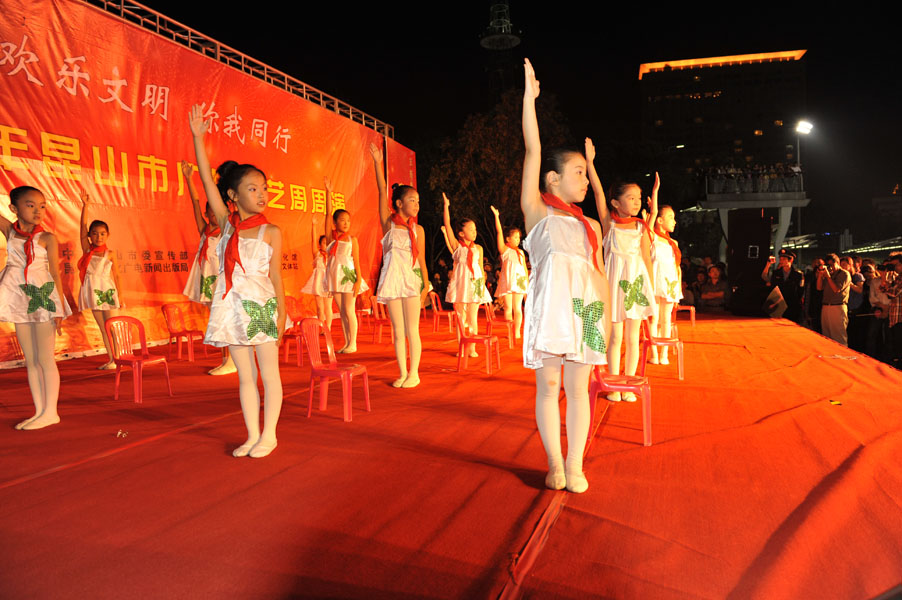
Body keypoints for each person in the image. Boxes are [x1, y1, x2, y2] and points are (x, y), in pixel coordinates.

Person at [520, 59, 611, 493]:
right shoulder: (537, 211)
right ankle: (554, 464)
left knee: (578, 389)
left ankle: (575, 465)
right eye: (578, 172)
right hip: (550, 312)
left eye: (585, 174)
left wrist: (606, 321)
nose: (584, 180)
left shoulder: (589, 225)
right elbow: (532, 150)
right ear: (552, 179)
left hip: (586, 312)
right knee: (549, 386)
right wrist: (529, 100)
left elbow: (599, 277)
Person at [189, 104, 286, 458]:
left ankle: (269, 435)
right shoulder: (226, 225)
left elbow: (276, 277)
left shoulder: (271, 231)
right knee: (245, 377)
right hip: (231, 309)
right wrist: (198, 139)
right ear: (233, 195)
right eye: (252, 188)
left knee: (269, 375)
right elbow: (206, 181)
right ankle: (251, 435)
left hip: (261, 309)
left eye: (264, 188)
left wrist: (282, 315)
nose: (261, 194)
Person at [0, 186, 71, 430]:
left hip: (43, 301)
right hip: (19, 300)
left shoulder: (48, 238)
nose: (38, 211)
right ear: (13, 208)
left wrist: (58, 309)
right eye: (30, 205)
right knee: (30, 360)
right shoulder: (10, 232)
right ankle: (40, 411)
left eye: (42, 206)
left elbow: (55, 274)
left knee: (45, 358)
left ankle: (51, 412)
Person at [591, 151, 657, 402]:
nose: (637, 202)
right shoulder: (609, 224)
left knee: (632, 337)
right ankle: (613, 385)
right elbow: (598, 193)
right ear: (616, 203)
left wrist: (651, 291)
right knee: (615, 337)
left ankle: (629, 384)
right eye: (631, 198)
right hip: (614, 286)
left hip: (636, 287)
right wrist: (590, 163)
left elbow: (646, 260)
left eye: (638, 197)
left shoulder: (641, 226)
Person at [369, 142, 429, 388]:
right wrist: (377, 163)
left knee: (412, 329)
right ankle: (403, 372)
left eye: (418, 201)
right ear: (399, 204)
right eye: (412, 200)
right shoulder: (388, 224)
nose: (416, 204)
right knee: (397, 329)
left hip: (412, 280)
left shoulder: (419, 230)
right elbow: (381, 190)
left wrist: (425, 286)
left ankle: (414, 373)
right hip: (393, 279)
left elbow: (421, 261)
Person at [180, 159, 236, 375]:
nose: (216, 215)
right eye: (212, 211)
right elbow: (195, 203)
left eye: (219, 211)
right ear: (207, 214)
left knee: (224, 320)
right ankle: (226, 359)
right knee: (218, 322)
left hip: (222, 284)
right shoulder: (204, 230)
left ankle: (232, 360)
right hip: (208, 284)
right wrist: (188, 179)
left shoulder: (227, 232)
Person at [76, 190, 123, 369]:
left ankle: (120, 357)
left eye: (102, 234)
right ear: (90, 235)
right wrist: (85, 206)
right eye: (95, 233)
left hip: (108, 293)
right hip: (93, 293)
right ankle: (112, 360)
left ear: (107, 235)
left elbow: (116, 275)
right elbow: (82, 228)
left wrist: (121, 296)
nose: (98, 237)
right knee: (103, 328)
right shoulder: (87, 251)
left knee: (112, 327)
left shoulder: (110, 254)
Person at [441, 193, 491, 357]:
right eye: (470, 229)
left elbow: (481, 270)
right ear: (461, 233)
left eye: (475, 229)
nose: (474, 232)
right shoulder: (457, 247)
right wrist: (446, 207)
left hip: (475, 285)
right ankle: (462, 348)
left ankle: (472, 348)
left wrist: (482, 286)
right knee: (461, 318)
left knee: (473, 317)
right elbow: (447, 225)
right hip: (461, 285)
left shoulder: (478, 248)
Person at [324, 176, 368, 354]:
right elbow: (327, 214)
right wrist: (328, 193)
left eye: (348, 220)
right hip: (335, 276)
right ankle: (347, 342)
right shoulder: (330, 238)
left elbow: (356, 261)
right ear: (335, 223)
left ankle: (353, 343)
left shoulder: (352, 240)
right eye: (342, 220)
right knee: (342, 312)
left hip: (348, 276)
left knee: (349, 309)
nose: (346, 223)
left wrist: (358, 281)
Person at [648, 204, 682, 364]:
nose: (674, 221)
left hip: (669, 284)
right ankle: (654, 353)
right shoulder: (652, 238)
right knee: (653, 318)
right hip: (654, 282)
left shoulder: (673, 243)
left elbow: (677, 268)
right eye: (670, 217)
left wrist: (678, 288)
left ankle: (664, 354)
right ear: (659, 220)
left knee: (666, 319)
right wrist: (652, 206)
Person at [490, 205, 528, 340]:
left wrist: (527, 285)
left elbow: (524, 268)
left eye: (519, 237)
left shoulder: (521, 252)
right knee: (507, 308)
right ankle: (509, 331)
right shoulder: (505, 250)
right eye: (515, 237)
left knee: (518, 308)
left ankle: (516, 331)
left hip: (519, 282)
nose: (518, 239)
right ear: (508, 239)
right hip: (507, 281)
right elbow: (499, 233)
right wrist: (496, 217)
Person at [300, 214, 333, 330]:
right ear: (320, 244)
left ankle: (328, 328)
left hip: (328, 282)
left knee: (328, 307)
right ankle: (322, 327)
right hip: (318, 282)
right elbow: (313, 240)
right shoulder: (317, 253)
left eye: (328, 243)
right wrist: (313, 226)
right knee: (320, 307)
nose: (326, 245)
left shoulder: (332, 255)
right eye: (324, 243)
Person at [761, 249, 804, 323]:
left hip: (793, 307)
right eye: (780, 259)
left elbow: (801, 291)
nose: (781, 261)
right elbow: (765, 277)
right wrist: (768, 264)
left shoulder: (798, 275)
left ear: (791, 260)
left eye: (784, 259)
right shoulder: (776, 273)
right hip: (778, 307)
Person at [817, 253, 850, 346]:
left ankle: (842, 354)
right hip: (826, 306)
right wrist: (820, 275)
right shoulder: (828, 274)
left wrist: (828, 277)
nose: (830, 267)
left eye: (832, 265)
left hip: (838, 306)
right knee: (826, 336)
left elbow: (836, 289)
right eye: (828, 265)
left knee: (839, 337)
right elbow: (819, 287)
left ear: (838, 263)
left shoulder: (844, 274)